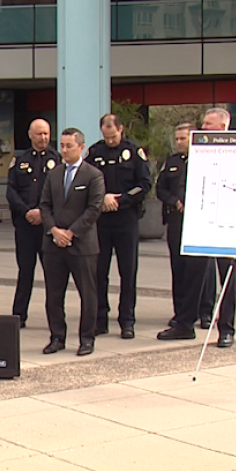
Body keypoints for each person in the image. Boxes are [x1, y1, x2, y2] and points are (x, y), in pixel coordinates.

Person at [39, 127, 105, 356]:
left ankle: (87, 338)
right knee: (54, 295)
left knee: (87, 294)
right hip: (53, 245)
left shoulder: (92, 175)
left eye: (69, 146)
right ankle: (57, 336)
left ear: (81, 147)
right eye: (62, 146)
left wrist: (71, 233)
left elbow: (94, 208)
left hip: (82, 246)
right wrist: (54, 230)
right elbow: (44, 205)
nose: (64, 150)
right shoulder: (54, 174)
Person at [86, 113, 151, 339]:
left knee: (128, 272)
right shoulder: (95, 153)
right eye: (107, 135)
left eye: (114, 135)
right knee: (99, 272)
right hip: (101, 220)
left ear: (121, 129)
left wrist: (120, 199)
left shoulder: (133, 152)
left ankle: (127, 321)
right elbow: (85, 183)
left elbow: (144, 184)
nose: (110, 139)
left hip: (126, 219)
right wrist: (102, 198)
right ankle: (100, 319)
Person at [155, 123, 212, 340]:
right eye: (177, 139)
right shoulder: (172, 162)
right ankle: (181, 313)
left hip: (198, 221)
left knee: (200, 269)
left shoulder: (204, 159)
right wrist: (173, 201)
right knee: (178, 267)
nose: (180, 142)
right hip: (176, 220)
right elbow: (160, 188)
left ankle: (204, 311)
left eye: (184, 138)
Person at [7, 118, 60, 328]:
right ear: (30, 134)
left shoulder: (57, 160)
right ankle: (19, 315)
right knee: (25, 270)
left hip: (48, 226)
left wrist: (42, 213)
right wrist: (26, 211)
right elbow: (11, 191)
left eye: (46, 133)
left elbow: (59, 193)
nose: (43, 138)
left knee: (52, 274)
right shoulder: (20, 161)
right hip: (25, 225)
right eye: (39, 134)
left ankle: (54, 316)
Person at [201, 107, 236, 348]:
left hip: (227, 224)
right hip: (203, 223)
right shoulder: (199, 151)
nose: (203, 128)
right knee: (200, 274)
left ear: (222, 127)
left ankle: (226, 328)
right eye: (203, 124)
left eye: (208, 124)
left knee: (228, 278)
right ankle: (198, 318)